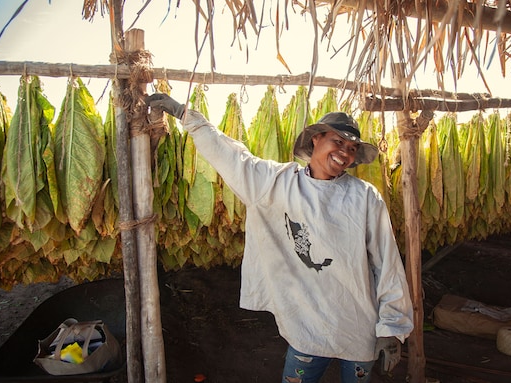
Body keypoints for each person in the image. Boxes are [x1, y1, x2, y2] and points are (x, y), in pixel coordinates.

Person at [146, 93, 414, 382]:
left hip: (357, 323)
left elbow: (386, 263)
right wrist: (187, 115)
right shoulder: (275, 183)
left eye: (351, 148)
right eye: (338, 142)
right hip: (307, 328)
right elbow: (231, 155)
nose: (345, 153)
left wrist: (392, 329)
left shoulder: (364, 197)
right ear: (316, 139)